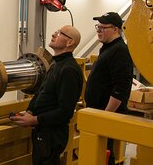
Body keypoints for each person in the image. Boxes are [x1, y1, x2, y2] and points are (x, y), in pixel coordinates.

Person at [10, 25, 83, 165]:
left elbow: (65, 111)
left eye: (60, 33)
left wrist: (35, 119)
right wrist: (30, 111)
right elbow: (41, 92)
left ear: (70, 42)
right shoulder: (56, 65)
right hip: (43, 131)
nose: (54, 34)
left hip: (52, 135)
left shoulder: (69, 70)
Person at [85, 12, 133, 165]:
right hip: (98, 113)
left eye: (103, 27)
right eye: (98, 27)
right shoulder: (107, 48)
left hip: (107, 115)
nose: (98, 30)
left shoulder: (119, 51)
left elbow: (121, 89)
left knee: (105, 155)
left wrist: (105, 116)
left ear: (116, 30)